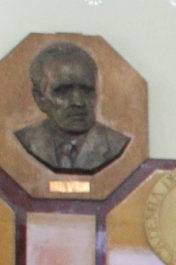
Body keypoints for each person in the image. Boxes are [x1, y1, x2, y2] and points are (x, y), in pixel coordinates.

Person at [12, 41, 129, 174]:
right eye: (63, 91)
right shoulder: (26, 140)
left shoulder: (115, 143)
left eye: (86, 90)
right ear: (39, 98)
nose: (78, 102)